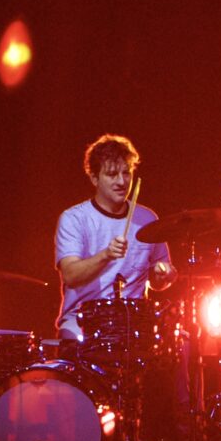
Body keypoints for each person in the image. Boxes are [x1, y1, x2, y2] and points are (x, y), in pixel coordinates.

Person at [52, 134, 172, 343]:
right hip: (82, 320)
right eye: (112, 174)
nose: (121, 181)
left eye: (126, 173)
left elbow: (158, 281)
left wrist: (163, 275)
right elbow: (70, 275)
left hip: (133, 321)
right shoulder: (74, 219)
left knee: (178, 341)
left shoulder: (148, 219)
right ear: (94, 178)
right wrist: (106, 255)